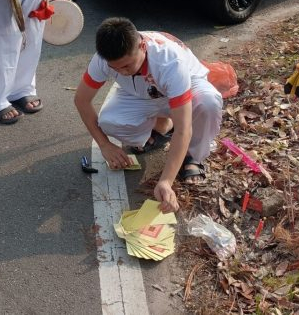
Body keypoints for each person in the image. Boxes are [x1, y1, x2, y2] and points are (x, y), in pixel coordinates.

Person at [74, 18, 223, 213]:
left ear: (142, 46)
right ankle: (162, 126)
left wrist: (166, 181)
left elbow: (184, 129)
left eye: (126, 65)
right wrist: (105, 145)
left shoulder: (170, 61)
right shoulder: (103, 59)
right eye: (115, 68)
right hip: (141, 93)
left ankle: (193, 157)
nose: (122, 72)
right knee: (109, 122)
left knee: (208, 103)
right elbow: (81, 100)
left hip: (186, 87)